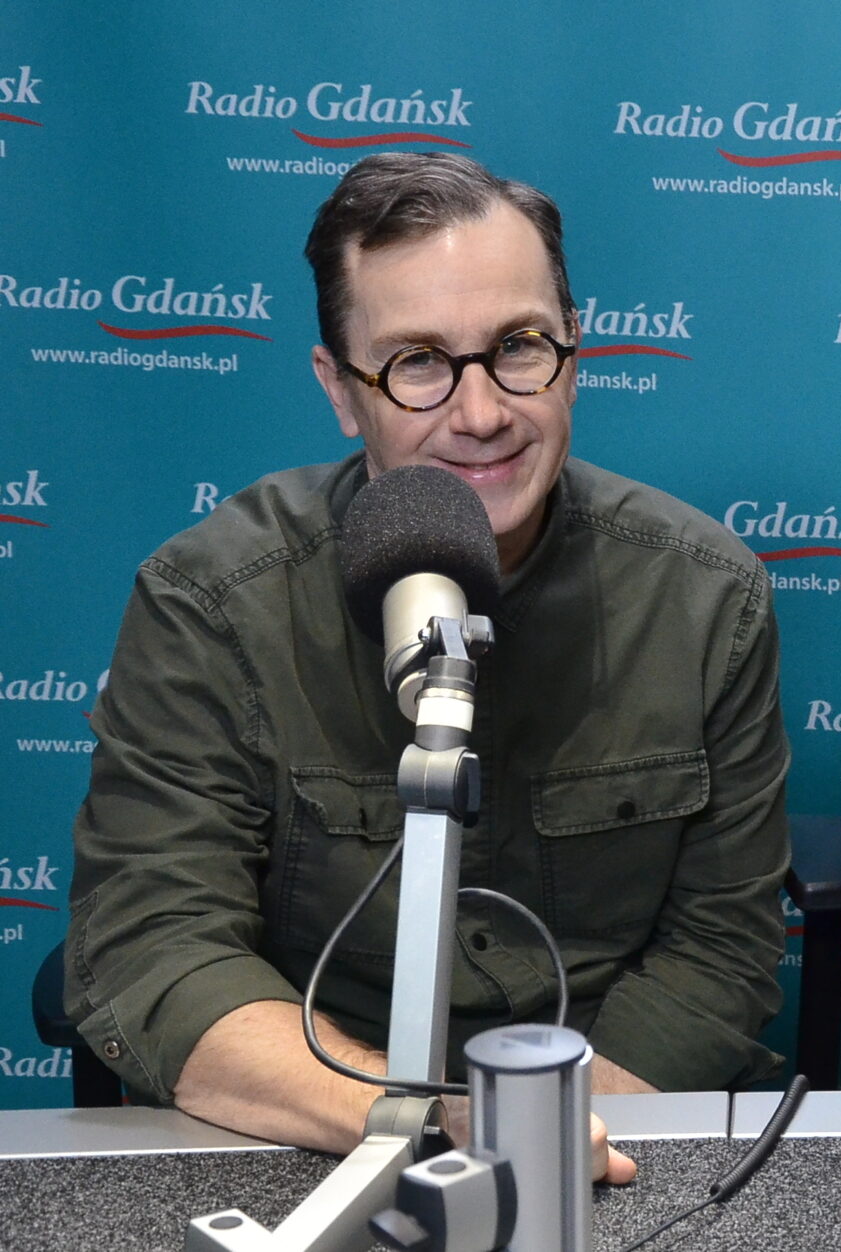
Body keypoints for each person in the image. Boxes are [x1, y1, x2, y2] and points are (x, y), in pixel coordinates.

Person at [64, 153, 792, 1180]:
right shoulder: (211, 601)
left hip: (607, 1135)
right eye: (417, 363)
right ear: (340, 391)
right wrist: (436, 1129)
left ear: (573, 354)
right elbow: (155, 944)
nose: (482, 411)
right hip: (303, 1126)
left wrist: (543, 1148)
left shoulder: (707, 595)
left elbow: (719, 950)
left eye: (519, 347)